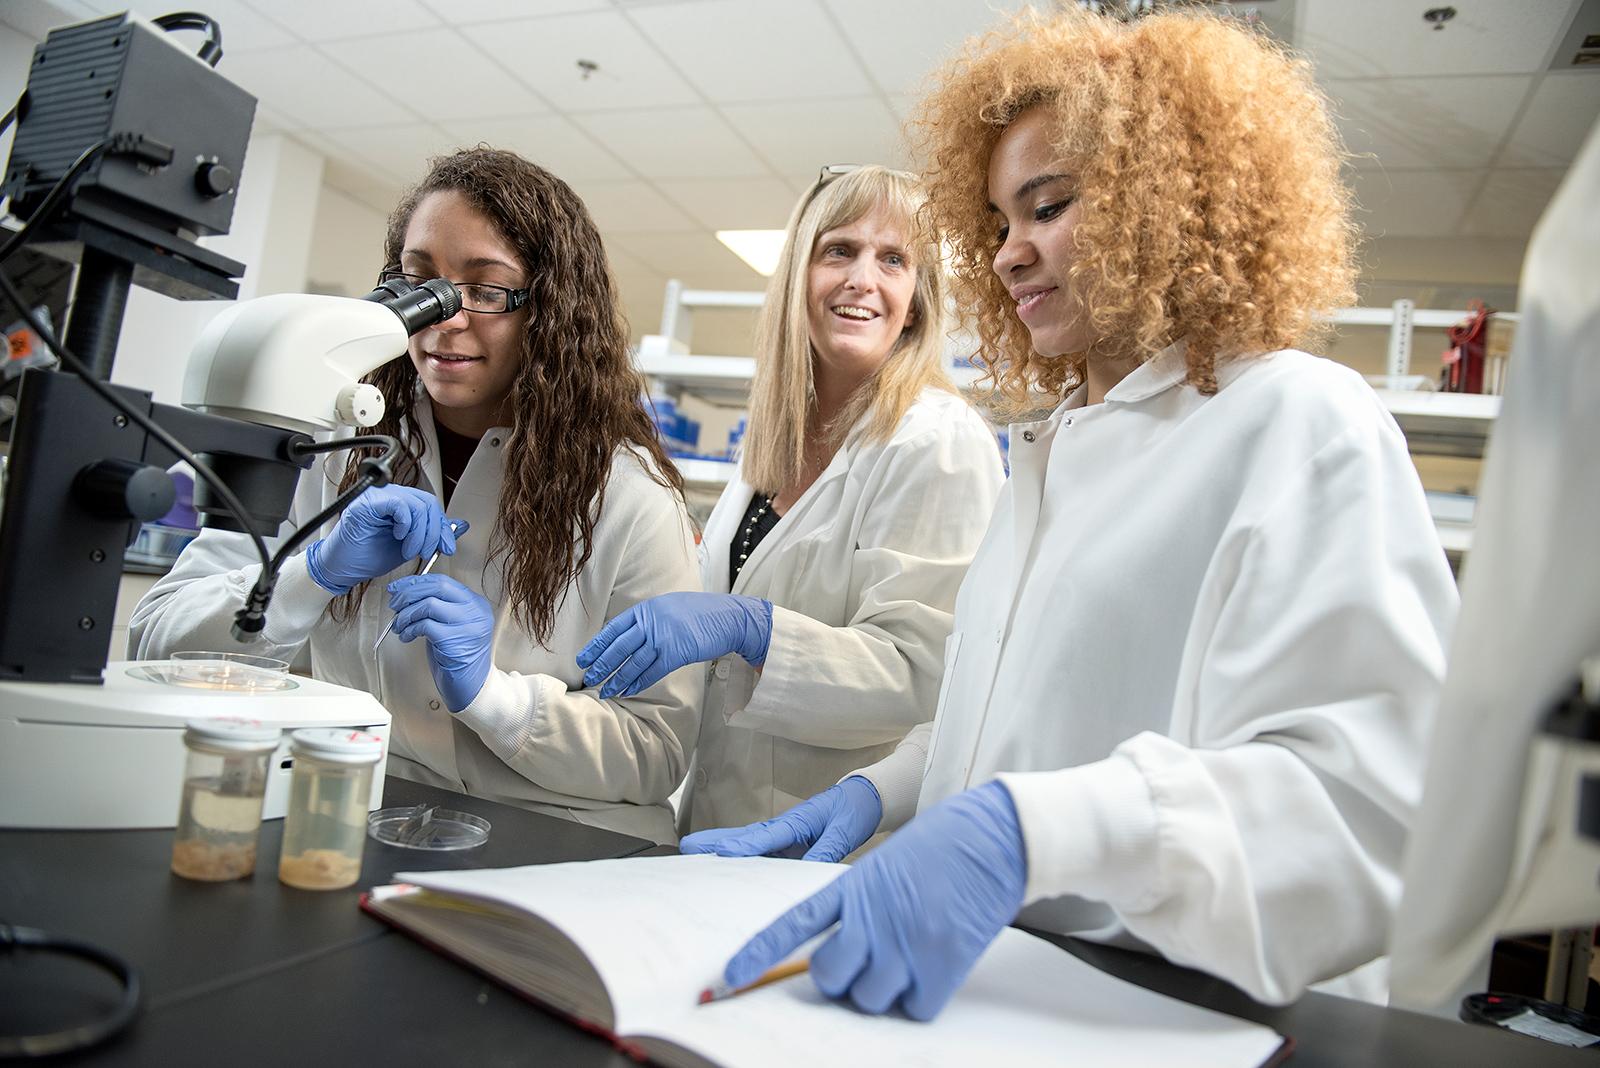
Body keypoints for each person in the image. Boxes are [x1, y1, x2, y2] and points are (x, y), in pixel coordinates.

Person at [684, 9, 1459, 1019]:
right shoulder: (1050, 453)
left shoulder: (1297, 420)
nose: (1008, 255)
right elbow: (1012, 723)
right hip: (1012, 1003)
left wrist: (1023, 832)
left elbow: (1366, 813)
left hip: (1186, 1017)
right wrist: (887, 790)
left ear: (1168, 202)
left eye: (1047, 207)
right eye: (1000, 222)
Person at [131, 148, 703, 844]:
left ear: (550, 311)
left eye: (486, 290)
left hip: (552, 839)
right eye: (419, 282)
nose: (442, 317)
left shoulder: (629, 498)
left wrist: (495, 700)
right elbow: (155, 642)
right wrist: (304, 580)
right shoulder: (323, 446)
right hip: (353, 808)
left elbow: (656, 751)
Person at [577, 165, 1004, 835]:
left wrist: (756, 630)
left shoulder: (938, 442)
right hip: (715, 822)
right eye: (840, 250)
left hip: (837, 847)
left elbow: (925, 680)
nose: (863, 278)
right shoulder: (775, 440)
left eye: (894, 259)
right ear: (800, 275)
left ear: (917, 299)